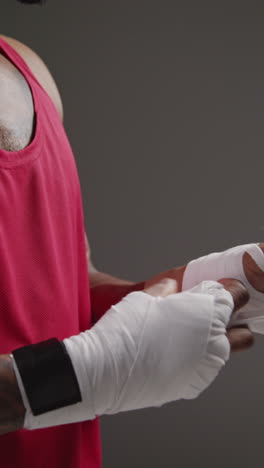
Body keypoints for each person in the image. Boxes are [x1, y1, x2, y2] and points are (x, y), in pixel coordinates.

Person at [0, 0, 261, 466]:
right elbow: (90, 366)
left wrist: (178, 296)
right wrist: (86, 374)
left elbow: (72, 286)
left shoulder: (30, 70)